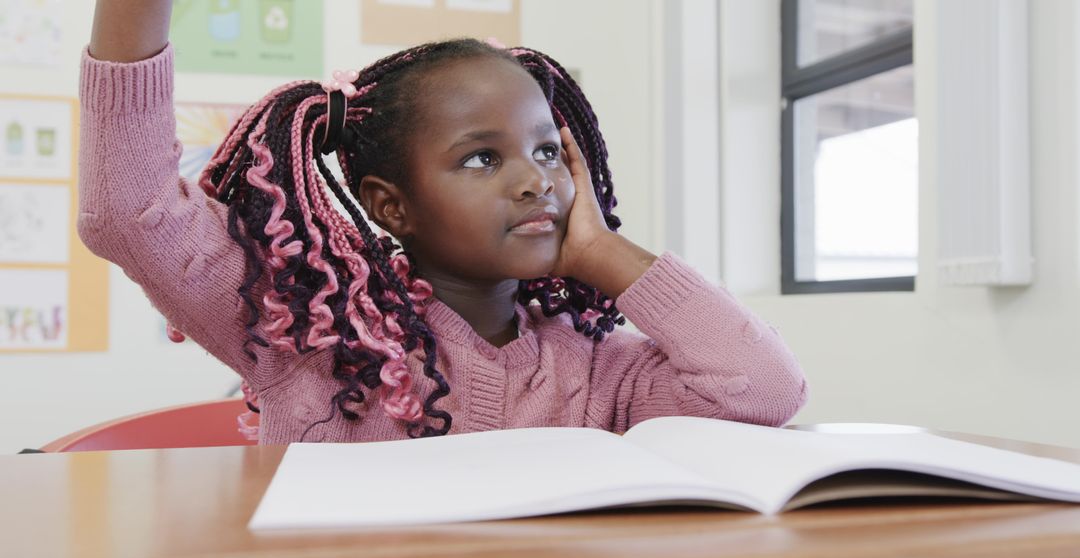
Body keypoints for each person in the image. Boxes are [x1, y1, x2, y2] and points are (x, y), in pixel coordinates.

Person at [80, 0, 807, 444]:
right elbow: (126, 212)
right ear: (391, 205)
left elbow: (764, 390)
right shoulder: (311, 342)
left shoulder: (598, 365)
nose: (533, 179)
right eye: (481, 160)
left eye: (548, 151)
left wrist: (605, 253)